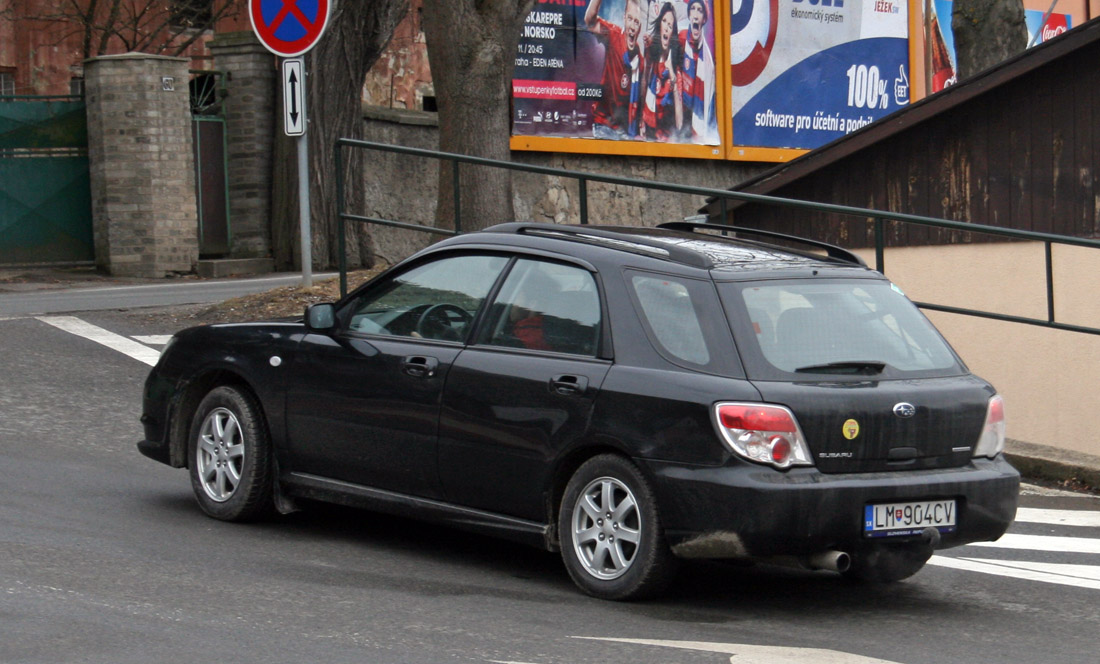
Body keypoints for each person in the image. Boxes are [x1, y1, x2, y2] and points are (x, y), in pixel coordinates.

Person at [584, 0, 645, 140]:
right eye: (630, 19)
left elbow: (639, 99)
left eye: (636, 22)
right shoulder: (613, 34)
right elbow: (590, 21)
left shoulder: (639, 59)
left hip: (625, 130)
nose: (632, 26)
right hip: (604, 126)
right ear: (624, 19)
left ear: (640, 27)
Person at [641, 2, 683, 142]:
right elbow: (644, 82)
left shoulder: (675, 72)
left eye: (670, 25)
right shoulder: (652, 56)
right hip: (647, 131)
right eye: (664, 21)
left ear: (672, 33)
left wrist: (671, 74)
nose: (666, 27)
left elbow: (679, 123)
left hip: (663, 140)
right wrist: (641, 118)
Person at [678, 0, 717, 143]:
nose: (695, 15)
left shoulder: (707, 61)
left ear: (704, 19)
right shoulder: (681, 39)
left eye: (699, 11)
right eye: (692, 9)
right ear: (688, 14)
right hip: (679, 115)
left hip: (695, 120)